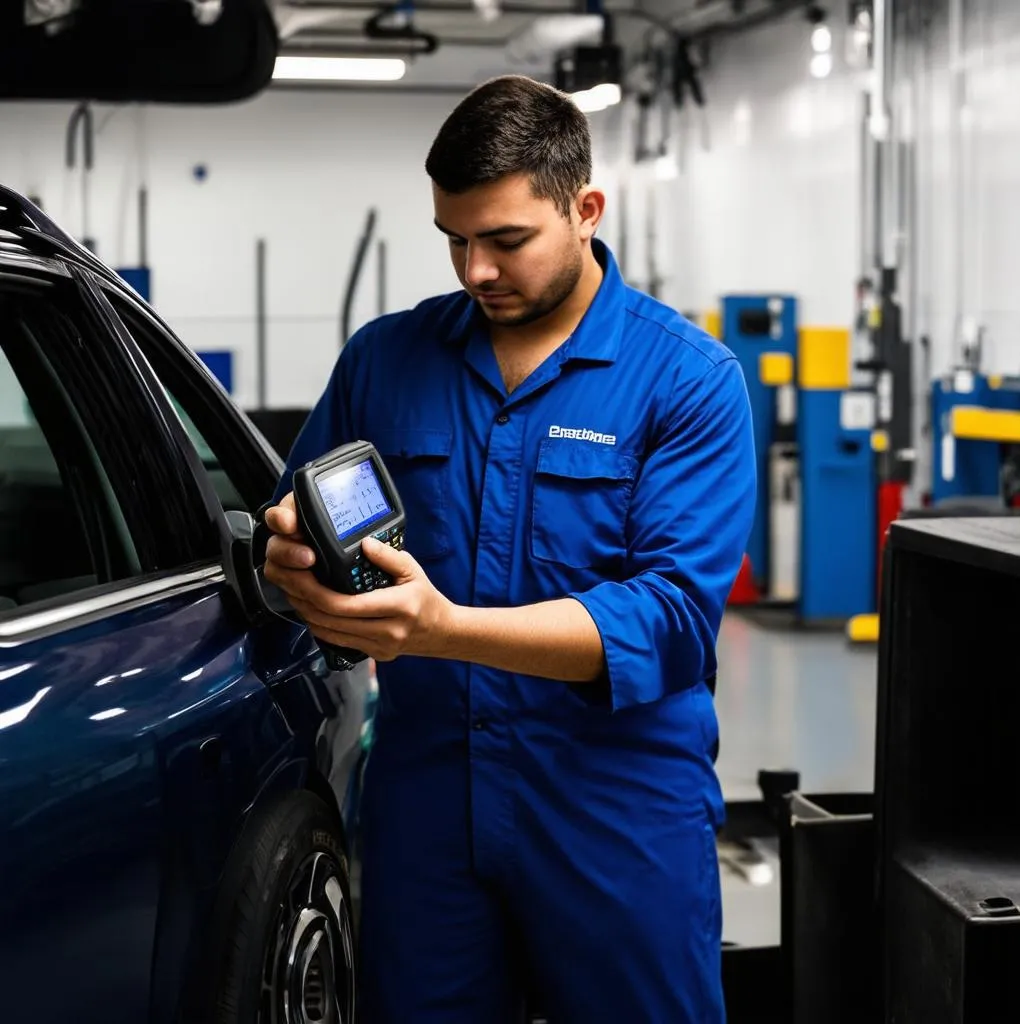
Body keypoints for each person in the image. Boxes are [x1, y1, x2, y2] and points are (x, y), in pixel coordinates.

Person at [262, 74, 756, 1024]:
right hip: (428, 802)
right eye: (454, 240)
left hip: (616, 804)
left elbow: (672, 619)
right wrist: (293, 566)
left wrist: (445, 629)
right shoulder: (384, 360)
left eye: (505, 240)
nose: (475, 271)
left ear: (585, 209)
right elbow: (298, 517)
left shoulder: (686, 382)